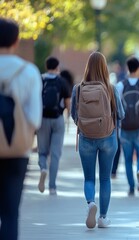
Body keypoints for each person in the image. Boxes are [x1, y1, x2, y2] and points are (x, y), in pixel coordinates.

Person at [70, 52, 124, 228]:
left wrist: (86, 124)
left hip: (86, 138)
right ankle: (102, 217)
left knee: (89, 178)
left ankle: (90, 203)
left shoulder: (78, 89)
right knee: (105, 179)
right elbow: (122, 114)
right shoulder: (110, 88)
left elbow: (73, 115)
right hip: (108, 137)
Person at [0, 17, 42, 240]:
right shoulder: (28, 72)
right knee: (9, 213)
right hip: (17, 150)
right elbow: (35, 119)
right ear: (16, 41)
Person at [116, 56, 139, 195]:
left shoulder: (120, 85)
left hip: (125, 126)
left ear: (127, 68)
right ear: (138, 69)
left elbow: (117, 106)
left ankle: (131, 187)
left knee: (127, 158)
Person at [37, 57, 71, 195]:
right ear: (57, 67)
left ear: (46, 66)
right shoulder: (62, 81)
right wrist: (68, 118)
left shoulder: (40, 79)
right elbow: (68, 103)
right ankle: (52, 187)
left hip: (43, 119)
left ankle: (43, 167)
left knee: (42, 151)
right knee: (55, 154)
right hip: (57, 119)